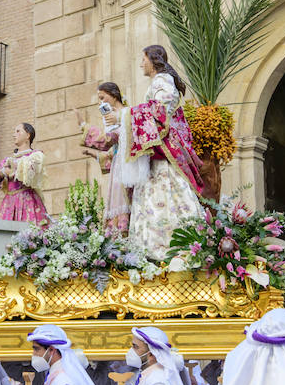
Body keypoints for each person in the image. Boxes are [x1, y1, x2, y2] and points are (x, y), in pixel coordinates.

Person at [121, 46, 205, 260]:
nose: (141, 64)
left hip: (164, 157)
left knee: (164, 197)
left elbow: (159, 112)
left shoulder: (162, 81)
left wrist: (124, 115)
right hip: (158, 155)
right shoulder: (160, 82)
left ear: (153, 59)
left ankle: (167, 252)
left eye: (143, 59)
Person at [80, 82, 132, 234]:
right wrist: (95, 155)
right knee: (117, 201)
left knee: (126, 199)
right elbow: (112, 149)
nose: (101, 102)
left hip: (127, 164)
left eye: (103, 97)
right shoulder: (111, 119)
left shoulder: (127, 113)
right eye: (99, 99)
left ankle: (126, 235)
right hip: (118, 163)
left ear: (114, 95)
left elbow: (112, 139)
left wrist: (86, 127)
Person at [0, 123, 48, 224]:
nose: (14, 135)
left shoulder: (36, 155)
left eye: (18, 131)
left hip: (27, 201)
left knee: (29, 234)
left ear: (28, 135)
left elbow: (30, 172)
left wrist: (14, 168)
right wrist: (2, 173)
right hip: (9, 204)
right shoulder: (7, 160)